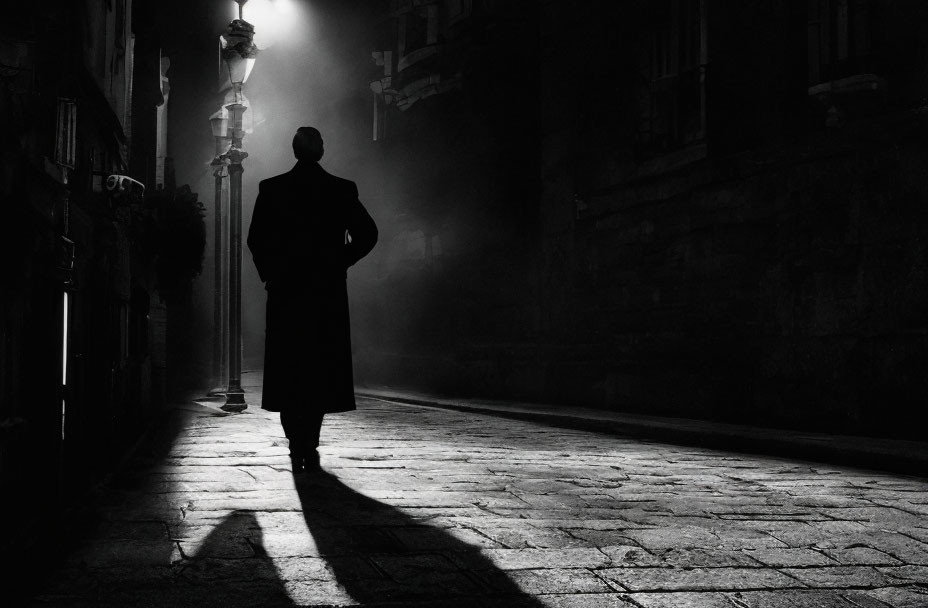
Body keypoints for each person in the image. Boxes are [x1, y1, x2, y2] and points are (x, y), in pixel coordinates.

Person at [247, 126, 377, 473]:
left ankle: (296, 439)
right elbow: (368, 234)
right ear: (318, 150)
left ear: (294, 151)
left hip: (287, 291)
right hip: (326, 290)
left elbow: (256, 240)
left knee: (289, 365)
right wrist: (341, 260)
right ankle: (311, 438)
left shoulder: (272, 189)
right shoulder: (340, 190)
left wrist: (272, 273)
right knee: (320, 366)